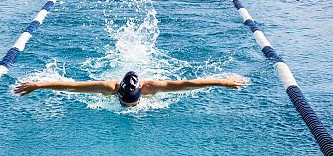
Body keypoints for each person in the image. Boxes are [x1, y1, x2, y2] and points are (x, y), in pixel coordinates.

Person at [14, 71, 247, 107]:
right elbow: (73, 87)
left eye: (131, 103)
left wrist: (223, 82)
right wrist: (39, 85)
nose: (129, 107)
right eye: (127, 103)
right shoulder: (107, 88)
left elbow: (188, 85)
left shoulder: (152, 88)